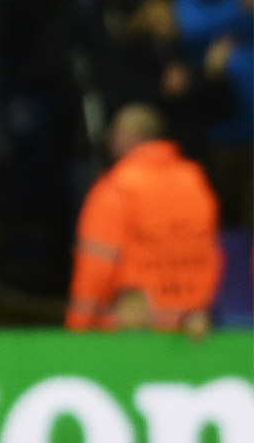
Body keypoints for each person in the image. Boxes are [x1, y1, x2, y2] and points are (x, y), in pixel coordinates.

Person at [66, 102, 223, 337]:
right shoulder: (194, 181)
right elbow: (209, 252)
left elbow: (97, 262)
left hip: (131, 326)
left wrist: (78, 326)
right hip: (189, 327)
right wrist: (198, 307)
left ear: (128, 135)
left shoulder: (117, 187)